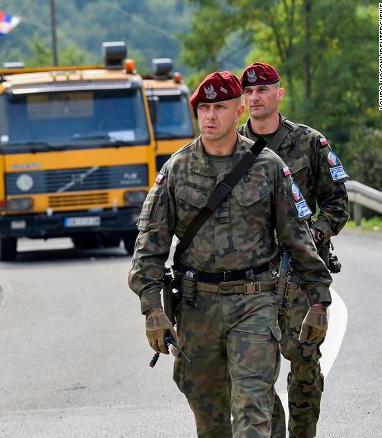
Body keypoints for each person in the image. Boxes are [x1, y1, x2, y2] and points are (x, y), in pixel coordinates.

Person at [128, 71, 332, 437]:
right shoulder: (177, 170)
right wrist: (152, 310)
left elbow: (298, 240)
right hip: (195, 309)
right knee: (211, 423)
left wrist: (319, 303)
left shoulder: (269, 168)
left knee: (252, 410)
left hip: (254, 304)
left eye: (219, 107)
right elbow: (149, 248)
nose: (209, 116)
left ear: (238, 111)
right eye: (203, 108)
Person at [238, 61, 349, 438]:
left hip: (298, 276)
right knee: (254, 371)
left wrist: (313, 237)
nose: (255, 97)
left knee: (304, 364)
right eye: (249, 92)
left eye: (263, 90)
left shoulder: (309, 143)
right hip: (249, 278)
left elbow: (337, 204)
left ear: (278, 94)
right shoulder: (230, 147)